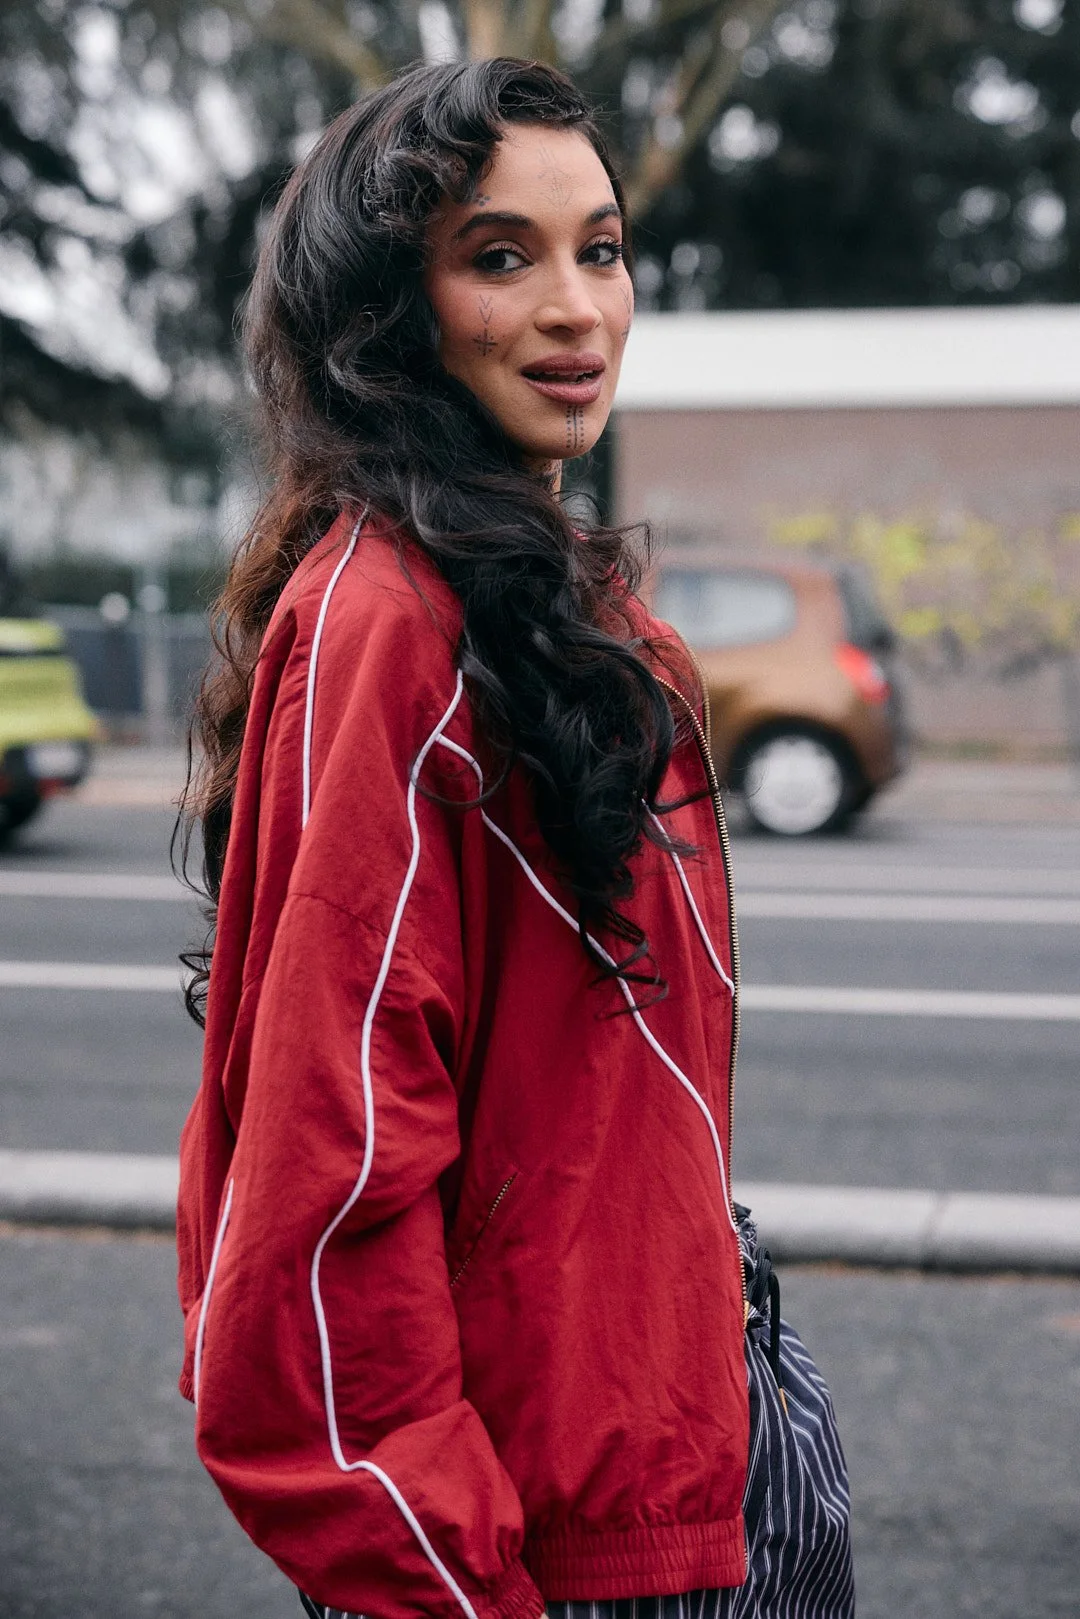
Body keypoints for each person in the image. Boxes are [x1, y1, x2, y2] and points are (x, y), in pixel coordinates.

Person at [176, 57, 854, 1619]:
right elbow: (322, 1209)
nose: (577, 308)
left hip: (718, 1434)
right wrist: (451, 1581)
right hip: (544, 1539)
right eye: (501, 256)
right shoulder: (388, 625)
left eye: (600, 249)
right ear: (387, 310)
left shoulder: (586, 613)